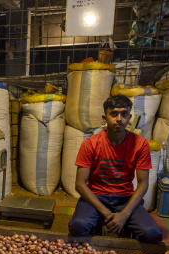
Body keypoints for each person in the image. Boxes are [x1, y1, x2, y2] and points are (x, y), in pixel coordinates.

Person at [68, 95, 162, 243]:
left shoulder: (140, 144)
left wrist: (124, 214)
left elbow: (143, 183)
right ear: (104, 118)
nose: (119, 118)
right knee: (78, 226)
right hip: (96, 196)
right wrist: (106, 213)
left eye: (124, 114)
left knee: (152, 234)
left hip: (125, 198)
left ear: (129, 117)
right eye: (114, 114)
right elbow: (80, 184)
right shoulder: (90, 144)